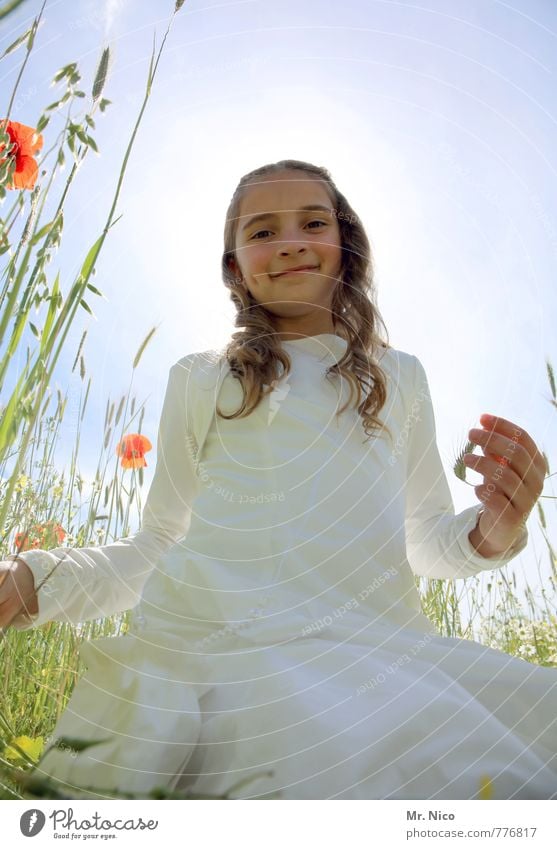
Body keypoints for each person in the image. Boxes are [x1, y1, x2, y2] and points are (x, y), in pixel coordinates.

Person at [1, 159, 555, 801]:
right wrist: (36, 578)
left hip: (377, 655)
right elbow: (160, 544)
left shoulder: (399, 379)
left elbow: (425, 541)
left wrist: (495, 527)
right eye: (262, 231)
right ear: (234, 267)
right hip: (223, 656)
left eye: (312, 223)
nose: (289, 241)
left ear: (346, 248)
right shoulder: (203, 378)